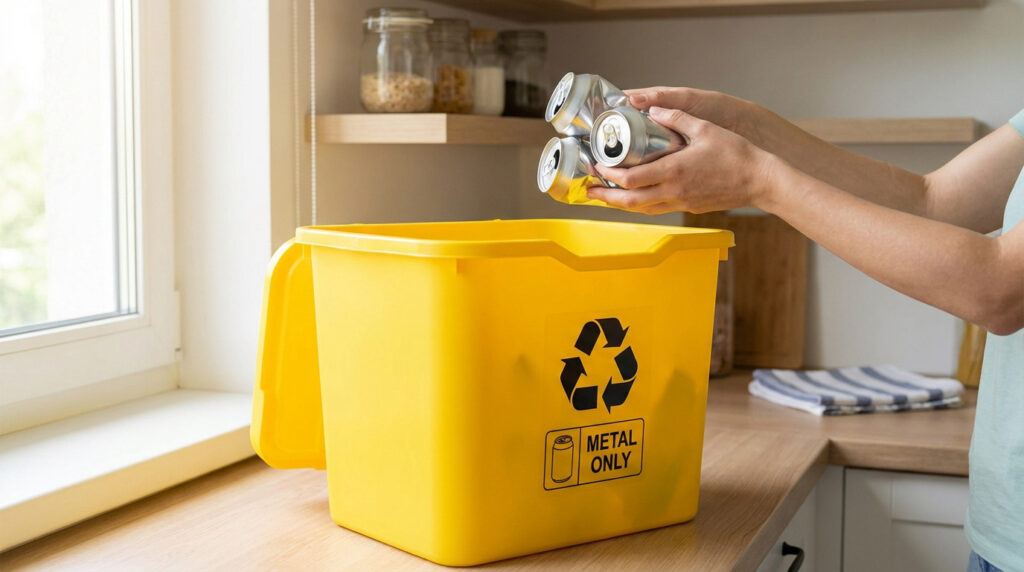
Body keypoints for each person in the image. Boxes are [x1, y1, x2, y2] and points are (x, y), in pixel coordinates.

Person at [586, 88, 1024, 572]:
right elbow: (929, 201)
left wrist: (759, 181)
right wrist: (747, 125)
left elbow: (1000, 289)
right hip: (998, 530)